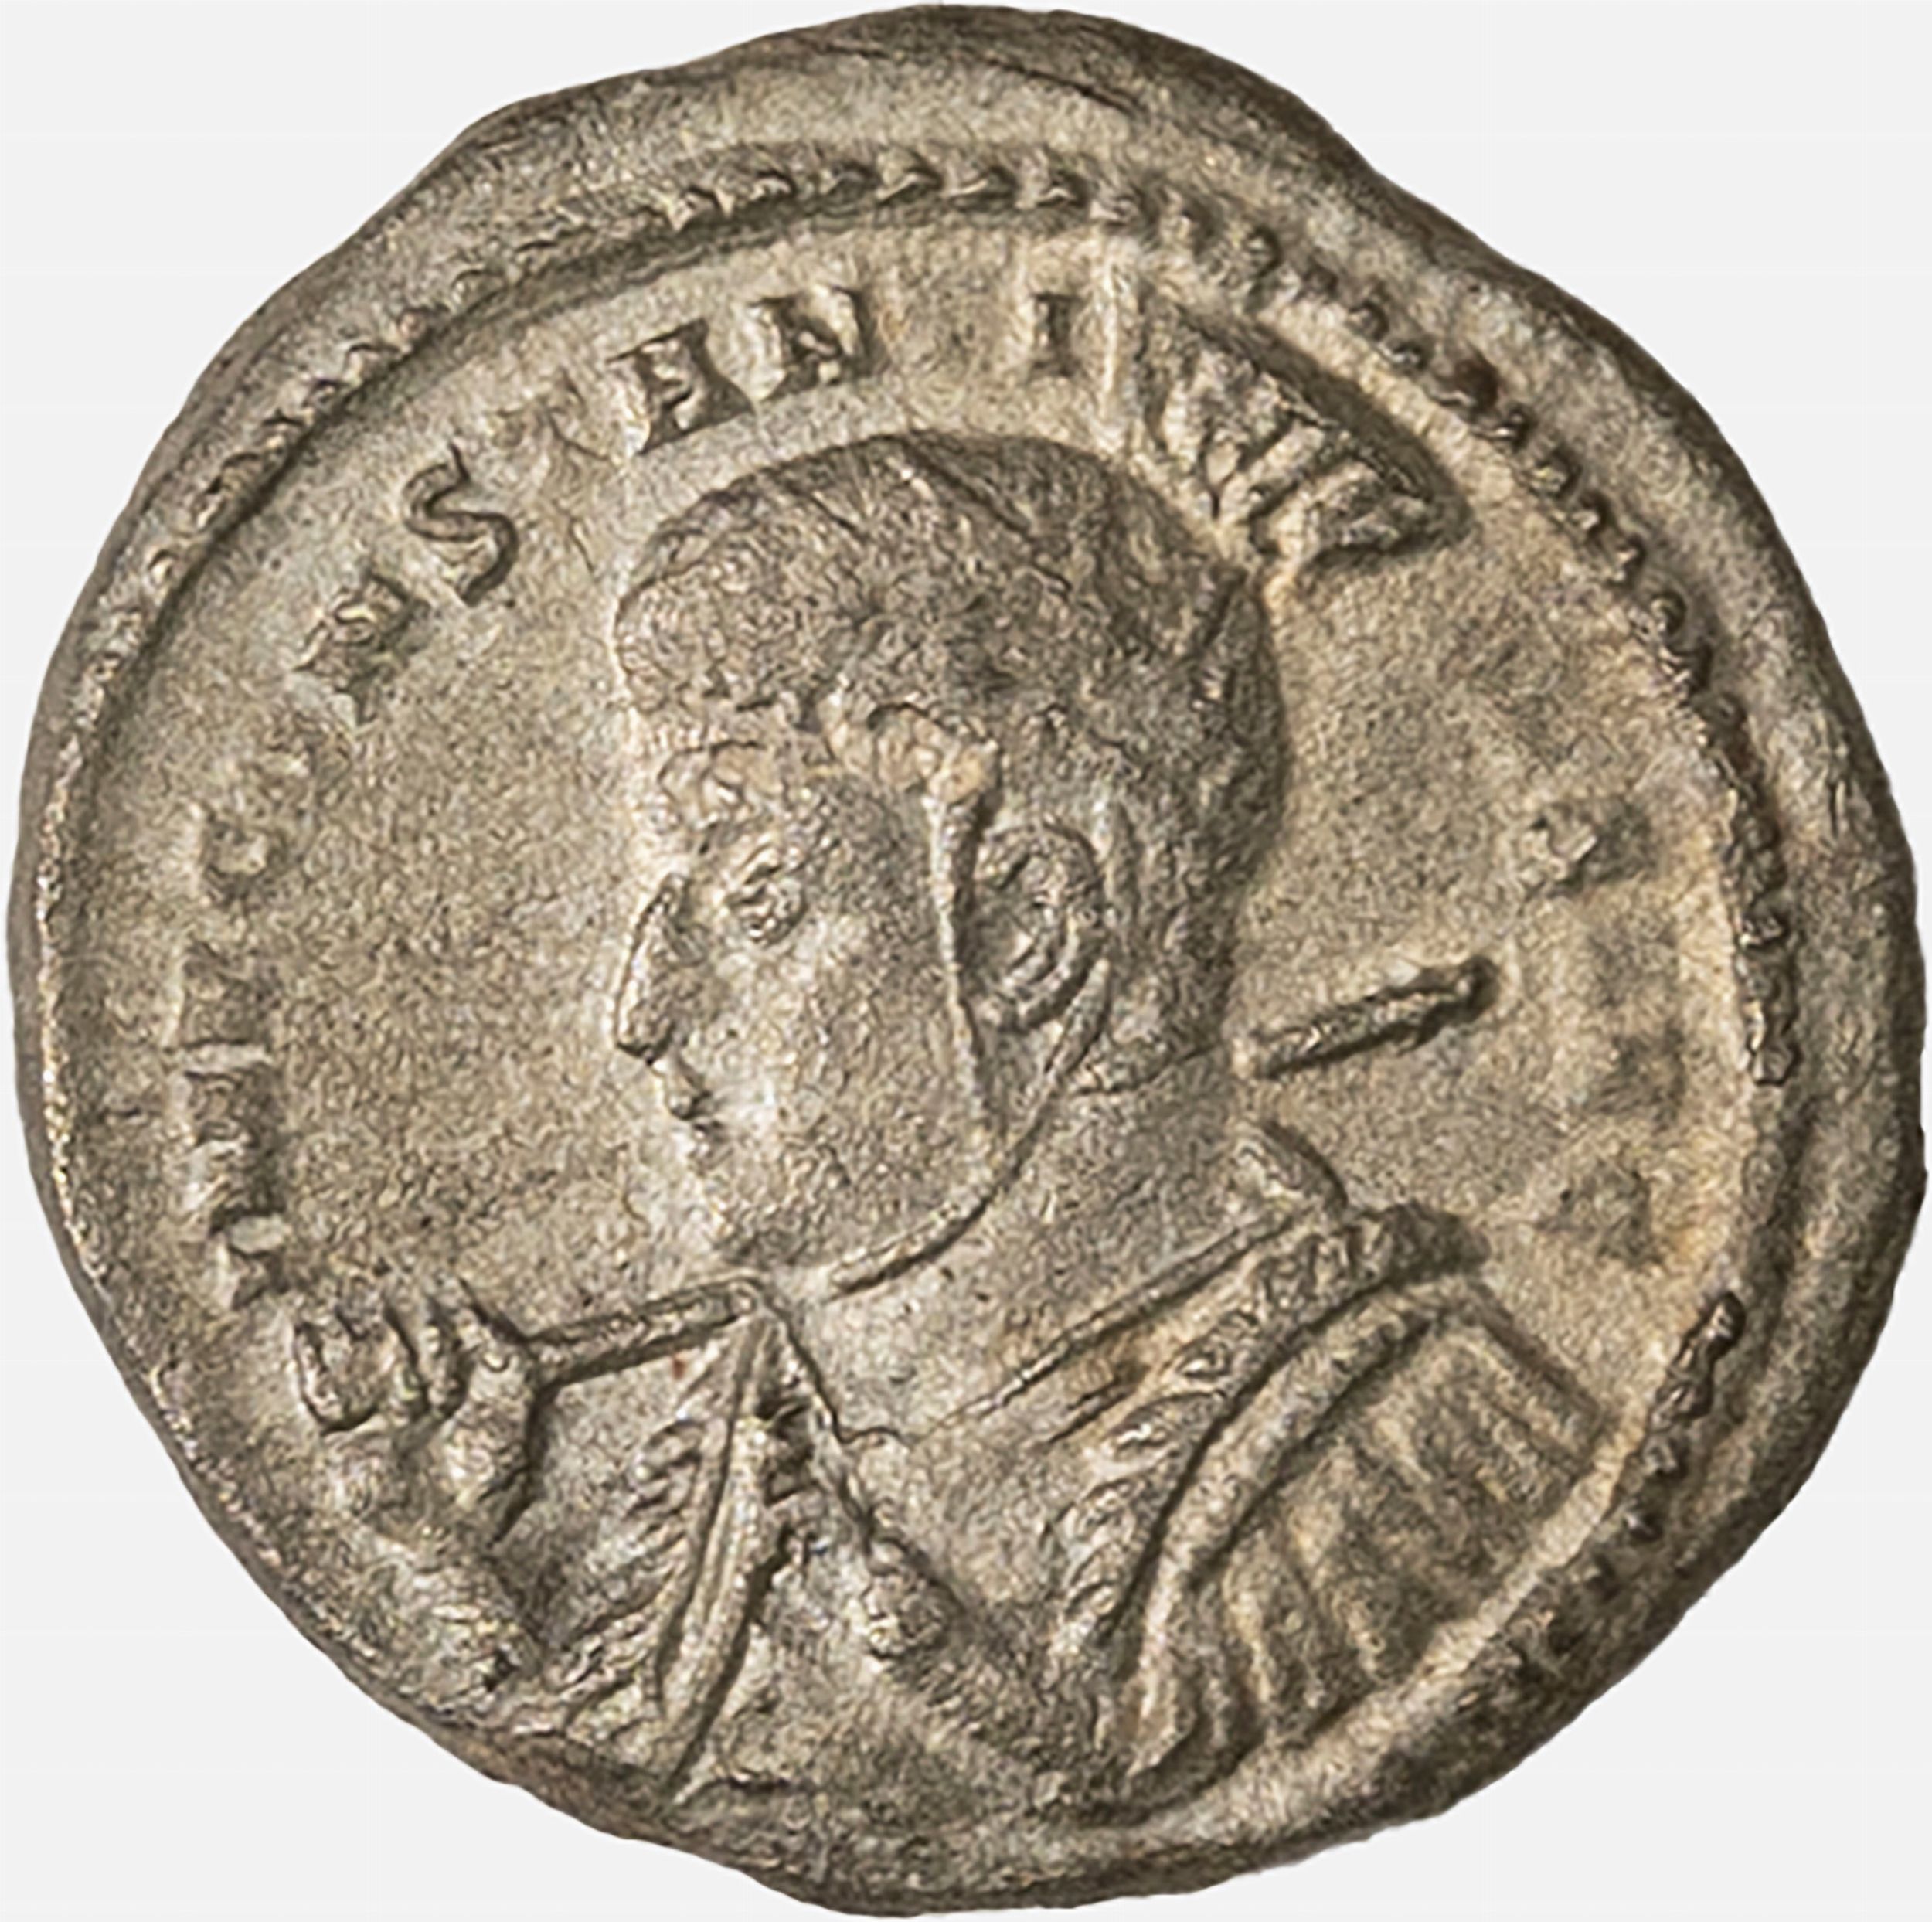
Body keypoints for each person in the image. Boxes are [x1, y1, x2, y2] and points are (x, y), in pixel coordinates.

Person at [294, 434, 1600, 1828]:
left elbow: (1111, 1785)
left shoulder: (1412, 1459)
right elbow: (620, 1766)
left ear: (1030, 929)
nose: (642, 1011)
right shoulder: (734, 1442)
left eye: (755, 902)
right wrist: (442, 1559)